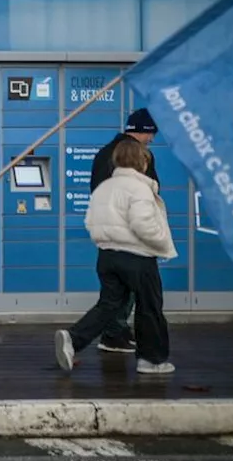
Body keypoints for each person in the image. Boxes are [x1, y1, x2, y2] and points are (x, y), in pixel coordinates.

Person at [56, 137, 177, 375]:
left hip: (107, 256)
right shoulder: (140, 187)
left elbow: (90, 221)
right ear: (140, 161)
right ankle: (151, 360)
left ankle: (72, 338)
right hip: (137, 257)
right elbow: (143, 224)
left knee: (109, 305)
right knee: (150, 307)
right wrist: (162, 241)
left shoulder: (105, 187)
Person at [86, 107, 159, 354]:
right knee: (136, 292)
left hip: (108, 231)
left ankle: (113, 332)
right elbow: (149, 194)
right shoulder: (139, 156)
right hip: (131, 234)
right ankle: (112, 334)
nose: (151, 140)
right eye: (151, 135)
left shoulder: (104, 152)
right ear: (143, 131)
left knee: (113, 291)